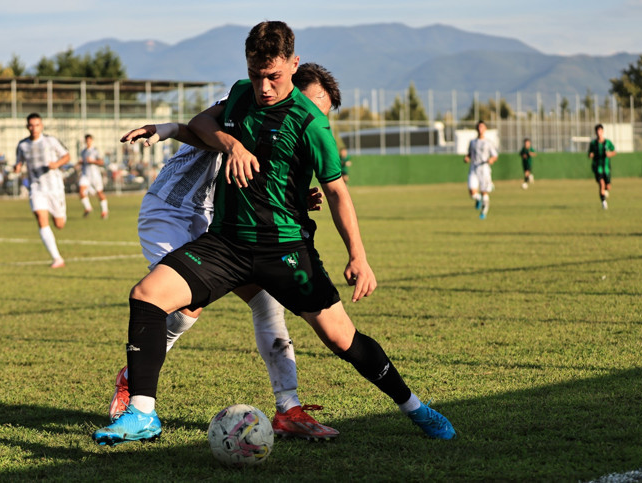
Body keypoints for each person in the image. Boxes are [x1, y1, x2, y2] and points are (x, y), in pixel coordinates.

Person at [92, 20, 455, 446]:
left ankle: (415, 407)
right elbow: (200, 125)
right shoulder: (242, 95)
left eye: (274, 77)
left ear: (293, 64)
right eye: (256, 75)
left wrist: (358, 255)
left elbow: (338, 192)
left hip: (285, 251)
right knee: (147, 295)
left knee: (342, 338)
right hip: (226, 243)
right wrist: (226, 142)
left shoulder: (310, 122)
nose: (263, 87)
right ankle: (143, 414)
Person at [105, 62, 343, 441]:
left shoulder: (294, 123)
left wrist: (297, 197)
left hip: (225, 220)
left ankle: (289, 410)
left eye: (321, 113)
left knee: (268, 304)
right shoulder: (244, 101)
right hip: (172, 211)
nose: (314, 117)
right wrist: (166, 129)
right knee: (186, 307)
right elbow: (199, 127)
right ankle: (135, 384)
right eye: (313, 105)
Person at [13, 113, 70, 268]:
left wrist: (56, 164)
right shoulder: (22, 145)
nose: (34, 128)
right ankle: (57, 258)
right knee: (40, 216)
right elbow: (18, 162)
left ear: (41, 126)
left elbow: (66, 156)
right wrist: (17, 167)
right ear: (27, 127)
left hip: (54, 187)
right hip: (36, 187)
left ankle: (59, 215)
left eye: (37, 125)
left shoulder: (50, 141)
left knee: (59, 224)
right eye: (31, 125)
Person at [463, 120, 498, 219]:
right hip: (473, 168)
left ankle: (483, 212)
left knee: (484, 192)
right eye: (479, 127)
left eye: (482, 127)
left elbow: (495, 155)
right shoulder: (472, 142)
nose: (480, 129)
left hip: (484, 169)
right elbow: (469, 153)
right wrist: (467, 157)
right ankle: (478, 199)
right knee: (472, 192)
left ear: (485, 129)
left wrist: (491, 159)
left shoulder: (488, 143)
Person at [78, 134, 109, 219]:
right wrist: (80, 163)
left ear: (92, 141)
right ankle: (88, 208)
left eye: (89, 140)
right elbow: (84, 162)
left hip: (95, 175)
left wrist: (93, 161)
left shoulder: (95, 151)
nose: (88, 142)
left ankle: (105, 211)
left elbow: (101, 162)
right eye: (86, 140)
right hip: (85, 175)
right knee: (81, 191)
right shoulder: (83, 151)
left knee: (99, 193)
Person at [588, 124, 616, 210]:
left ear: (602, 132)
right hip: (598, 167)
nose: (599, 133)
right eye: (597, 131)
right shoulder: (593, 143)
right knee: (601, 184)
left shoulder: (607, 142)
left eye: (600, 131)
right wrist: (591, 155)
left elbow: (614, 151)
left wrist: (610, 154)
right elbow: (589, 154)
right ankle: (604, 202)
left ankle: (605, 192)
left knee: (608, 186)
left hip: (606, 168)